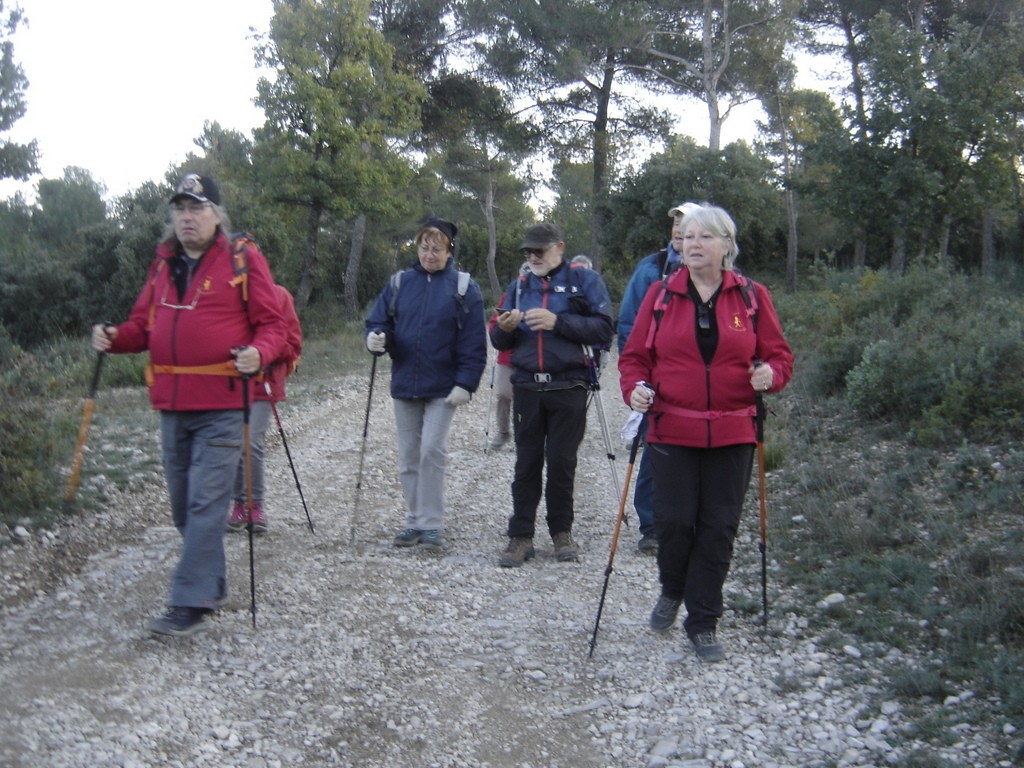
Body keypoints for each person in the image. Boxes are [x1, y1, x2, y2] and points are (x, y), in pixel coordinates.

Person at [91, 173, 286, 637]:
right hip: (172, 405)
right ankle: (209, 584)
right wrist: (115, 338)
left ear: (216, 214)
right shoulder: (162, 265)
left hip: (222, 403)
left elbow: (273, 324)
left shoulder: (243, 259)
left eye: (196, 207)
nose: (187, 216)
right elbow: (143, 326)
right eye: (180, 208)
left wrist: (260, 352)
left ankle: (190, 601)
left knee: (205, 503)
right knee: (183, 505)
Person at [618, 204, 793, 662]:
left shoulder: (753, 297)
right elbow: (634, 357)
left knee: (719, 528)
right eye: (688, 237)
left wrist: (769, 376)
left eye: (705, 237)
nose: (693, 244)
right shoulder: (660, 295)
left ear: (726, 246)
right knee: (674, 522)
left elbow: (780, 358)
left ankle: (704, 621)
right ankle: (672, 589)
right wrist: (635, 389)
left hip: (735, 430)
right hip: (672, 427)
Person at [490, 223, 615, 567]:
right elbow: (499, 342)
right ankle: (520, 536)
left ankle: (562, 532)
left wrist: (557, 322)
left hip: (569, 384)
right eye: (528, 252)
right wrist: (504, 329)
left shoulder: (585, 281)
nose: (533, 257)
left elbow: (605, 328)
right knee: (526, 462)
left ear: (559, 247)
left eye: (539, 251)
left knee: (562, 462)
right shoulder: (517, 287)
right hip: (528, 386)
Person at [364, 217, 487, 552]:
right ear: (416, 247)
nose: (429, 254)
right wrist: (375, 339)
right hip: (405, 382)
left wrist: (466, 383)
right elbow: (378, 321)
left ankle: (431, 525)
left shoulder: (464, 287)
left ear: (449, 251)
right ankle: (414, 521)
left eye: (437, 249)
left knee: (431, 451)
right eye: (424, 247)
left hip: (444, 386)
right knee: (408, 456)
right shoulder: (400, 283)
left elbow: (475, 342)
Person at [616, 202, 699, 554]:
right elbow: (628, 323)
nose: (678, 230)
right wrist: (636, 376)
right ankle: (651, 526)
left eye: (687, 223)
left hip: (700, 383)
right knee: (654, 449)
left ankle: (691, 522)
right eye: (676, 223)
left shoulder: (720, 272)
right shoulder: (651, 269)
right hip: (657, 381)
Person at [227, 284, 302, 534]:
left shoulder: (279, 295)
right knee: (234, 442)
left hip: (263, 383)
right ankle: (240, 504)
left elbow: (292, 343)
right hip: (228, 383)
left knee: (250, 442)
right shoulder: (223, 294)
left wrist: (262, 354)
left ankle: (255, 506)